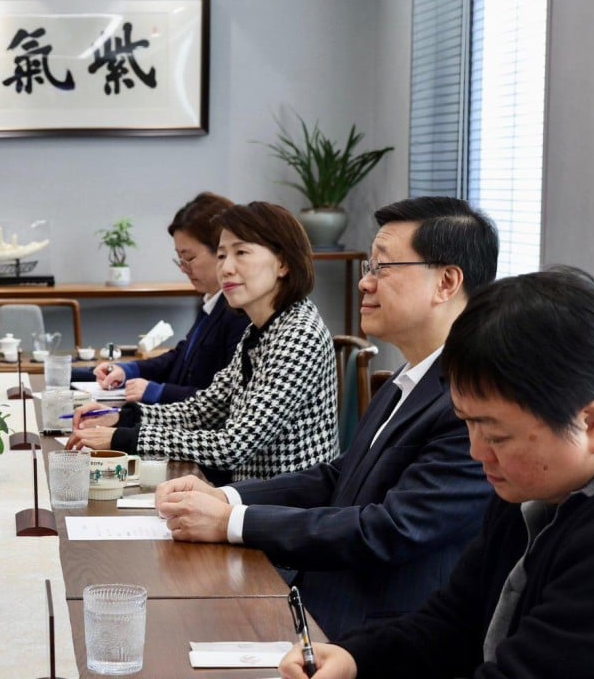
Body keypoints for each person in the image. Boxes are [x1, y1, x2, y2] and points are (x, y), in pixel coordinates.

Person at [155, 196, 499, 639]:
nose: (365, 283)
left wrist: (231, 522)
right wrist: (226, 497)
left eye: (382, 268)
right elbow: (340, 476)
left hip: (375, 635)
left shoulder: (470, 401)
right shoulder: (410, 377)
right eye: (369, 268)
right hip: (319, 600)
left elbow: (389, 529)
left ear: (446, 282)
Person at [280, 268, 594, 679]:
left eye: (497, 436)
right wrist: (353, 658)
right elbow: (452, 624)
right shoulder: (529, 492)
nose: (477, 452)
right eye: (467, 422)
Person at [69, 202, 338, 481]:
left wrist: (124, 438)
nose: (226, 268)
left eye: (241, 253)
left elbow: (233, 446)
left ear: (283, 263)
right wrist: (121, 417)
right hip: (248, 495)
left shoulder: (299, 334)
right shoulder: (258, 331)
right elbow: (201, 411)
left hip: (286, 502)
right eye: (221, 256)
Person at [90, 192, 249, 404]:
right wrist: (129, 370)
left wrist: (159, 392)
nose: (184, 268)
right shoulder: (213, 302)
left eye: (189, 258)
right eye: (180, 259)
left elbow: (225, 401)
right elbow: (181, 357)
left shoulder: (240, 312)